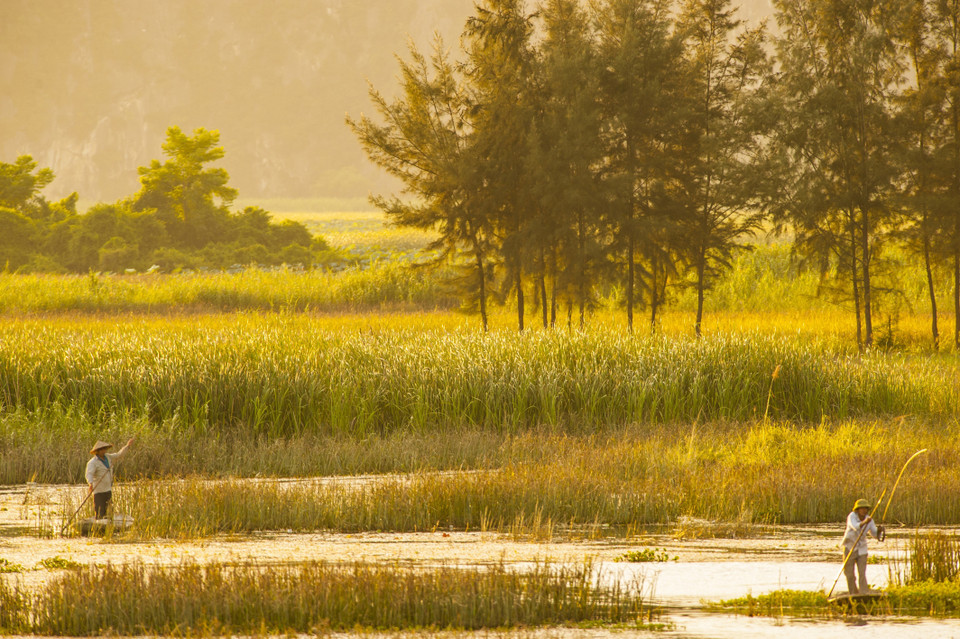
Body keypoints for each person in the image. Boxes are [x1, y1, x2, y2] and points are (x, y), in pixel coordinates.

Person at [842, 498, 885, 595]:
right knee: (849, 574)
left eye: (865, 509)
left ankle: (864, 592)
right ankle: (853, 593)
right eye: (862, 509)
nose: (864, 511)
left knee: (862, 572)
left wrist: (879, 531)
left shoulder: (870, 520)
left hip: (862, 549)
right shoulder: (852, 516)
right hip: (850, 546)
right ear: (857, 510)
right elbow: (855, 526)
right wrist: (865, 522)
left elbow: (874, 534)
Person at [85, 438, 134, 519]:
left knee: (109, 510)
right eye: (102, 449)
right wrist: (90, 484)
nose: (104, 451)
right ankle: (99, 525)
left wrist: (127, 446)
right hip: (99, 491)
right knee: (100, 511)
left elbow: (119, 454)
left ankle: (108, 526)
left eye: (104, 449)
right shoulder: (93, 462)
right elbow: (89, 474)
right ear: (98, 451)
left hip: (108, 489)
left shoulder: (108, 457)